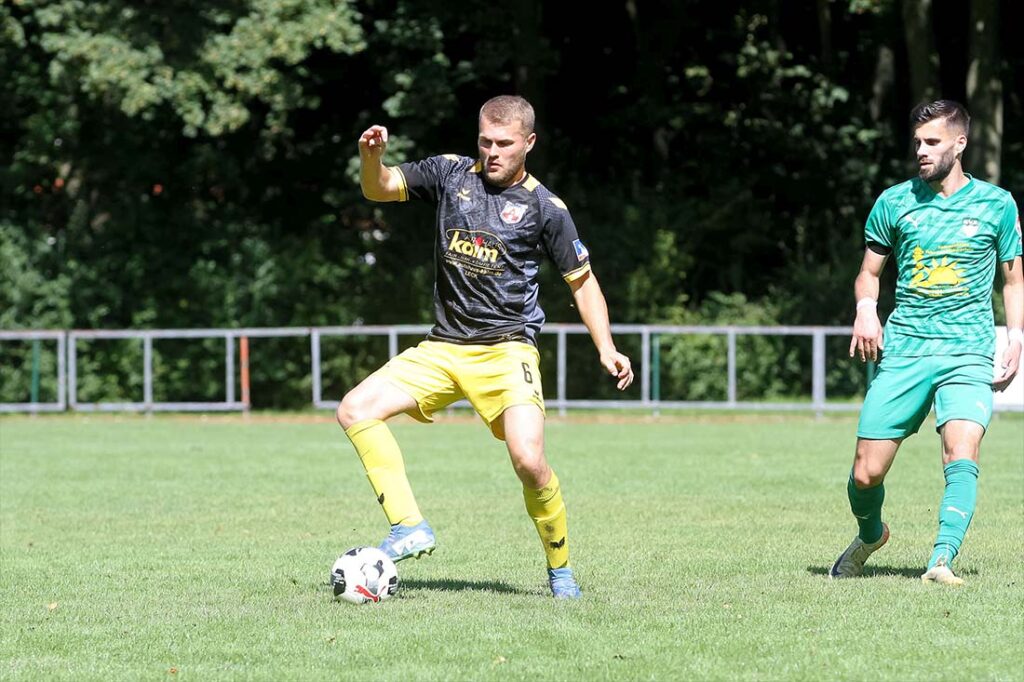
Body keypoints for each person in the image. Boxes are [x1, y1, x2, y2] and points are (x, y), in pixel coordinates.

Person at [337, 95, 634, 599]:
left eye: (504, 143)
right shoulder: (451, 174)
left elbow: (582, 283)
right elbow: (381, 188)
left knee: (529, 460)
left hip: (506, 351)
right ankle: (409, 525)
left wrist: (605, 346)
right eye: (484, 141)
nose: (491, 152)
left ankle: (560, 570)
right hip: (443, 348)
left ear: (529, 144)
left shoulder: (547, 208)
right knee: (355, 408)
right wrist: (371, 157)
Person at [830, 100, 1023, 585]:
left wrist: (1015, 337)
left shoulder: (997, 204)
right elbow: (868, 274)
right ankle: (871, 534)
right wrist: (866, 310)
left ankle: (941, 559)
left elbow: (1013, 281)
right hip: (906, 351)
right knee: (865, 474)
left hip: (967, 352)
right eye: (917, 141)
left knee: (962, 452)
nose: (921, 150)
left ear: (960, 144)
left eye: (932, 142)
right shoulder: (894, 203)